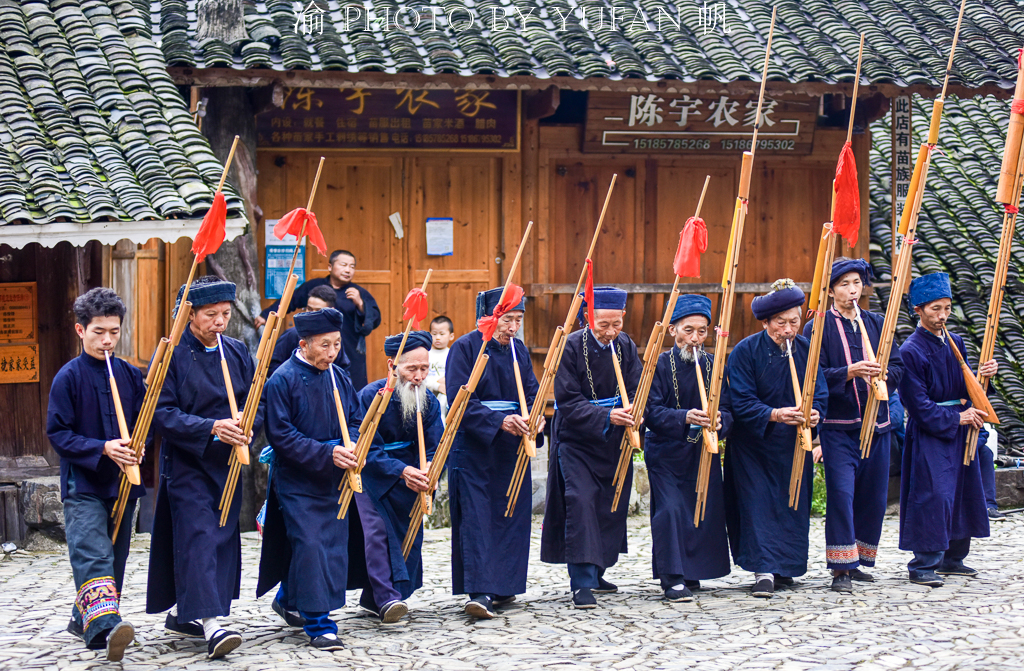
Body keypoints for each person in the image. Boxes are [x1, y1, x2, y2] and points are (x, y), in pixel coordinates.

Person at [147, 276, 263, 659]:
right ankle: (211, 623)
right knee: (198, 536)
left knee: (223, 537)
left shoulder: (235, 351)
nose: (219, 322)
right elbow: (160, 414)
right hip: (187, 463)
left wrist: (247, 426)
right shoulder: (172, 354)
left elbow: (255, 402)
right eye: (210, 314)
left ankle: (187, 613)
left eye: (226, 315)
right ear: (189, 314)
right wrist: (211, 427)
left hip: (228, 462)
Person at [46, 288, 145, 661]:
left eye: (114, 332)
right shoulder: (67, 378)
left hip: (123, 484)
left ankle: (80, 617)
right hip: (84, 483)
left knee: (115, 558)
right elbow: (58, 434)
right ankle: (104, 628)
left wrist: (139, 445)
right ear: (79, 330)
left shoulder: (131, 376)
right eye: (98, 331)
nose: (107, 340)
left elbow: (144, 424)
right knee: (93, 554)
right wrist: (102, 448)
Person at [255, 309, 364, 649]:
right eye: (324, 345)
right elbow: (282, 436)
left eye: (336, 344)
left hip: (336, 477)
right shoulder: (282, 380)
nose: (332, 353)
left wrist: (355, 443)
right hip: (298, 479)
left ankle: (288, 597)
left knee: (329, 547)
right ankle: (319, 623)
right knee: (311, 543)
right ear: (303, 344)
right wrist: (325, 453)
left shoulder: (339, 376)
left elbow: (357, 418)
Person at [803, 258, 904, 593]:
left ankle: (859, 560)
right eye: (844, 284)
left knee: (873, 497)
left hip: (878, 425)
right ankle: (841, 568)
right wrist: (849, 372)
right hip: (839, 427)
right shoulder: (817, 328)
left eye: (857, 283)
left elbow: (899, 364)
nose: (851, 290)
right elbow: (811, 375)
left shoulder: (876, 323)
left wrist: (887, 373)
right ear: (831, 290)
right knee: (842, 495)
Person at [723, 279, 828, 598]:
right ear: (766, 322)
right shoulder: (745, 352)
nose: (787, 329)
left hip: (793, 446)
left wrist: (815, 415)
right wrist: (776, 414)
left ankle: (786, 567)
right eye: (780, 323)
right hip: (754, 446)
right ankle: (763, 571)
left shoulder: (808, 349)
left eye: (794, 322)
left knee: (791, 505)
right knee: (757, 507)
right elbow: (740, 400)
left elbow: (820, 393)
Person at [541, 286, 642, 609]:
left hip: (614, 440)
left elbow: (640, 387)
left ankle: (598, 569)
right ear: (588, 318)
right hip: (577, 439)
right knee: (581, 501)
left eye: (617, 324)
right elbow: (567, 400)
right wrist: (605, 415)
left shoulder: (625, 345)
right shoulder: (570, 347)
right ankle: (581, 581)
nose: (611, 332)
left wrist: (636, 413)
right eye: (604, 325)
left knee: (608, 504)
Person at [447, 286, 542, 619]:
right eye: (506, 320)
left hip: (511, 448)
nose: (512, 328)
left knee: (511, 516)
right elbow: (461, 404)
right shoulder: (464, 348)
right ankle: (480, 591)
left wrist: (537, 417)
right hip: (475, 447)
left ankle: (504, 585)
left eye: (517, 320)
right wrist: (500, 421)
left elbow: (530, 392)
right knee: (477, 518)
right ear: (487, 318)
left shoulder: (519, 351)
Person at [898, 272, 994, 587]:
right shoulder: (911, 350)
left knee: (963, 492)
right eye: (935, 309)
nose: (942, 316)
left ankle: (954, 559)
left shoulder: (957, 342)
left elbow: (967, 390)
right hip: (931, 432)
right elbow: (918, 404)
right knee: (934, 493)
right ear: (919, 310)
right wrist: (957, 418)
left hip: (961, 427)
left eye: (947, 309)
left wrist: (983, 380)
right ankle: (923, 564)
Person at [644, 295, 732, 602]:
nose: (695, 338)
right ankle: (672, 578)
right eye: (688, 330)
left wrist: (722, 421)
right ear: (673, 331)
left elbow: (731, 409)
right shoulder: (657, 365)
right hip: (666, 451)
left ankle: (692, 571)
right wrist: (684, 417)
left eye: (702, 331)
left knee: (701, 509)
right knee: (669, 511)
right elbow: (650, 411)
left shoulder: (714, 365)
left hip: (701, 451)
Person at [353, 331, 442, 622]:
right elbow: (366, 446)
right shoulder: (369, 396)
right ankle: (386, 598)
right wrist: (400, 470)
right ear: (392, 366)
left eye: (424, 369)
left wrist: (431, 467)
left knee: (410, 535)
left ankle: (378, 598)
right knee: (378, 533)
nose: (418, 376)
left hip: (412, 474)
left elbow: (434, 444)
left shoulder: (429, 401)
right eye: (411, 368)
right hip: (373, 474)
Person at [257, 250, 381, 388]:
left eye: (352, 266)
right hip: (316, 345)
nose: (348, 270)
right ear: (330, 267)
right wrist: (268, 314)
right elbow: (291, 299)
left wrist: (360, 304)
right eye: (344, 265)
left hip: (347, 346)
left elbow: (374, 319)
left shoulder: (357, 292)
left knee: (348, 384)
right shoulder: (315, 287)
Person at [268, 284, 350, 378]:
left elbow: (344, 370)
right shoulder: (293, 334)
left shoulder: (333, 337)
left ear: (331, 311)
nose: (312, 314)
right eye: (309, 309)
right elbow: (272, 365)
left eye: (318, 311)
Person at [426, 315, 456, 417]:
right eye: (434, 334)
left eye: (442, 334)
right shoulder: (426, 354)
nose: (438, 337)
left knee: (443, 402)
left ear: (451, 336)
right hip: (426, 392)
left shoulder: (452, 354)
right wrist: (437, 386)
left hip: (445, 393)